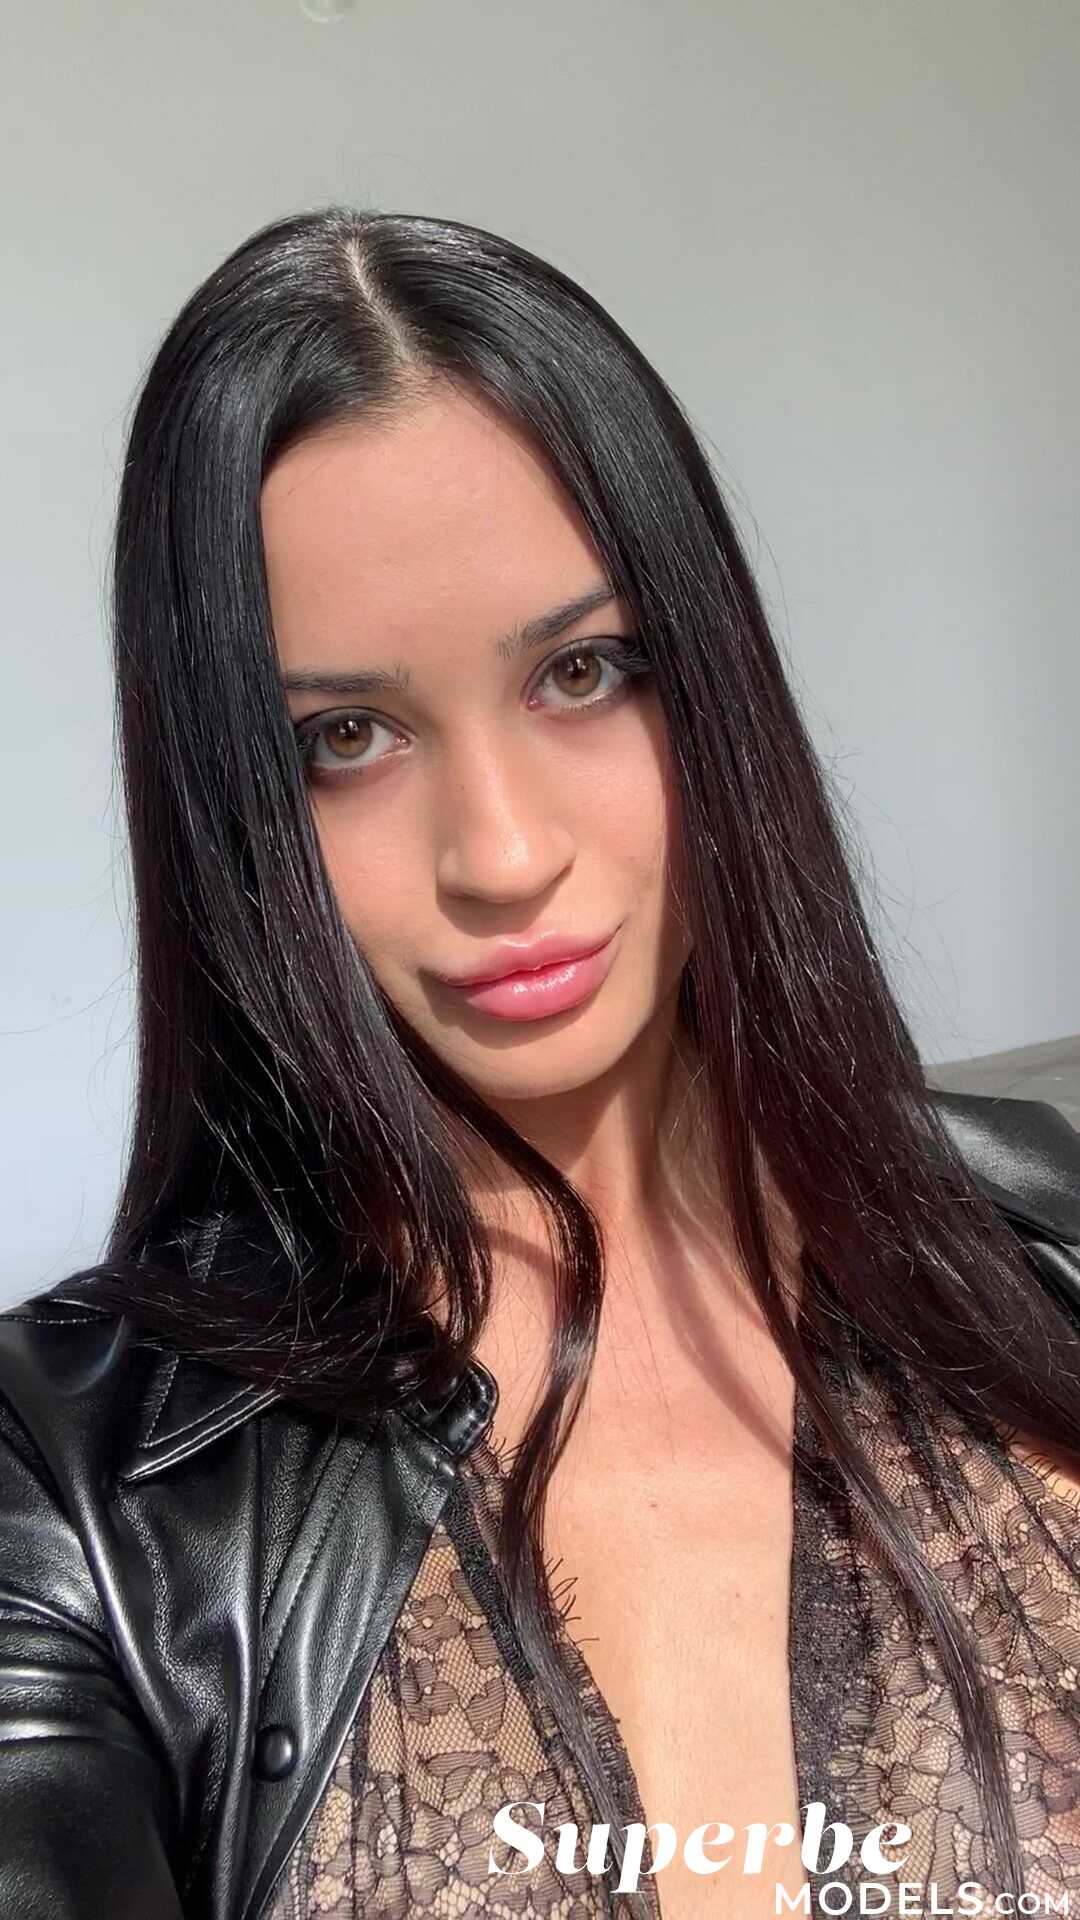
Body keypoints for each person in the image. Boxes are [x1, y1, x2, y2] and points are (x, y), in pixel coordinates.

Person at [1, 206, 1079, 1920]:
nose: (503, 856)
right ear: (232, 803)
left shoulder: (1053, 1243)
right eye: (345, 738)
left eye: (584, 671)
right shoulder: (64, 1490)